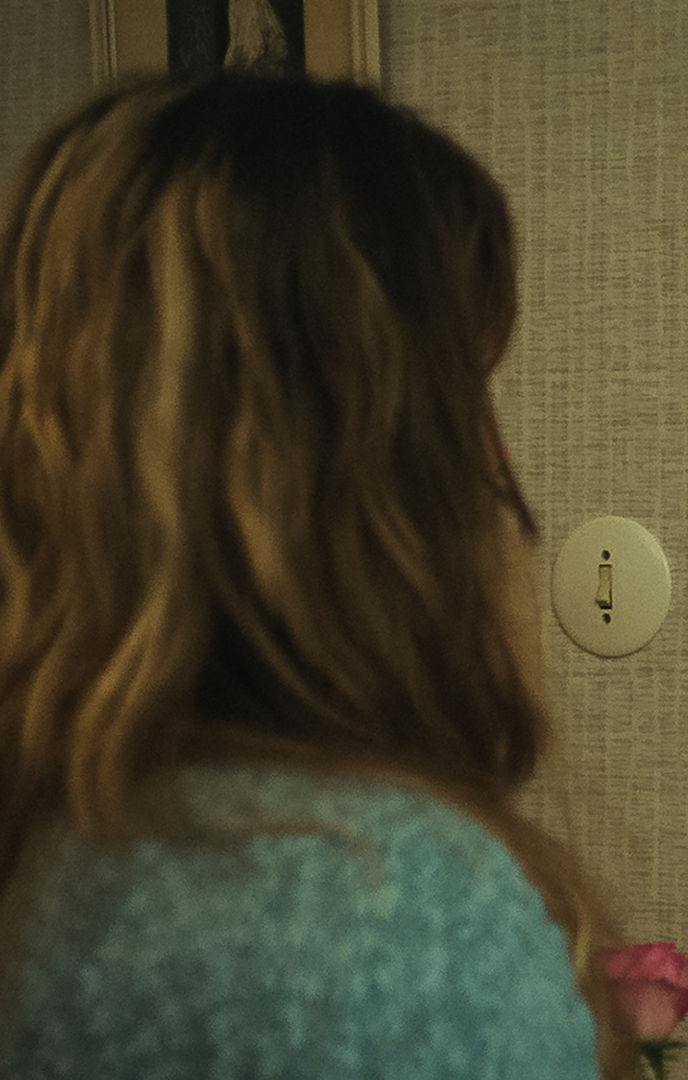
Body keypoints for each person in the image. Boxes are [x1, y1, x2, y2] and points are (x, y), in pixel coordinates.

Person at [0, 74, 622, 1078]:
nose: (499, 460)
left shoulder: (68, 843)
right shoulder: (387, 917)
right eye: (463, 397)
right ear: (353, 467)